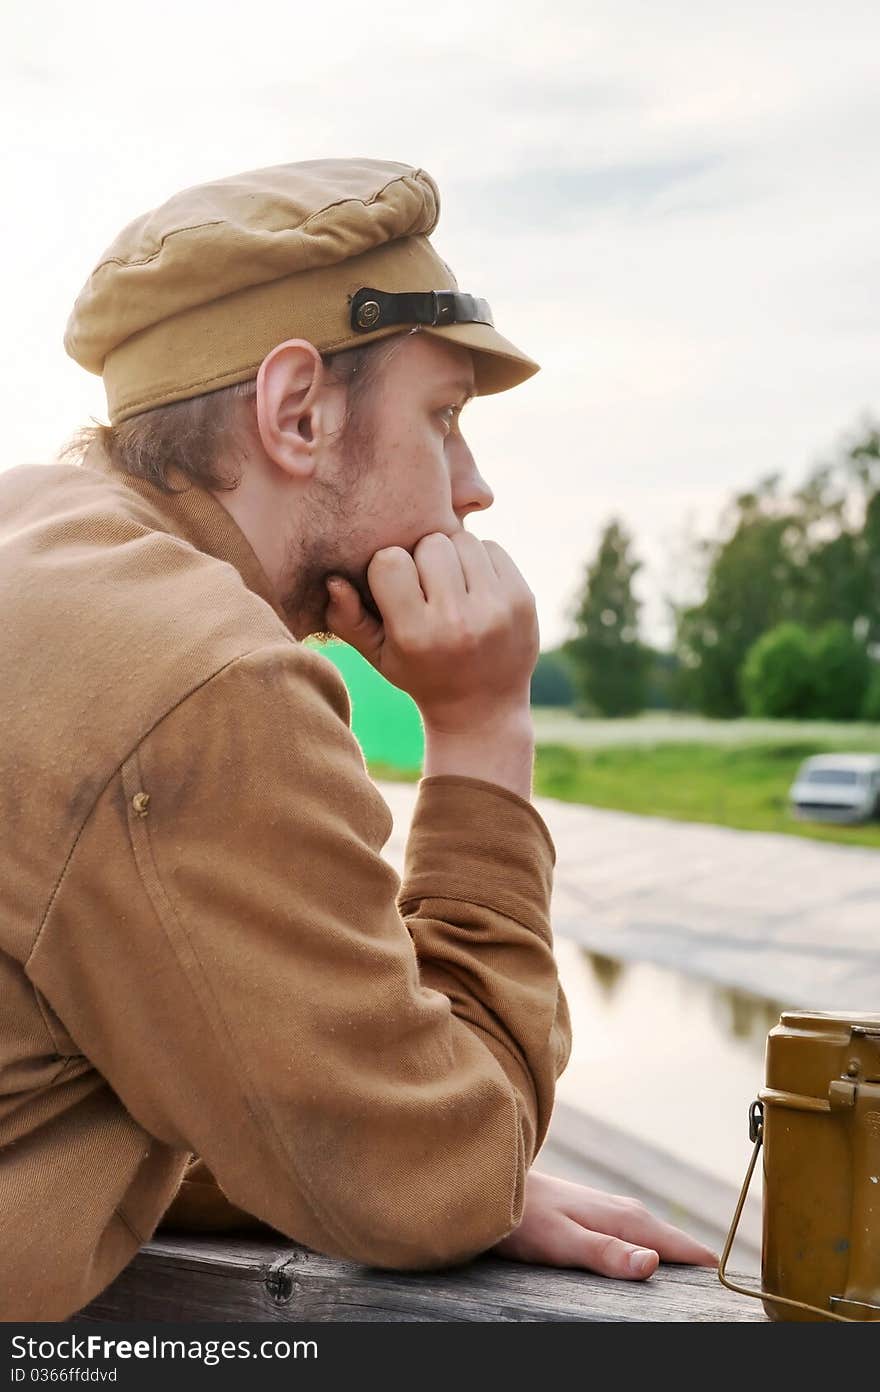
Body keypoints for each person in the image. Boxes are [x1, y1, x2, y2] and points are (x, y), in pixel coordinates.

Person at [0, 157, 715, 1322]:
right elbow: (436, 1182)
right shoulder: (196, 678)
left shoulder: (36, 541)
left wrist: (354, 1142)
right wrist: (482, 730)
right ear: (297, 414)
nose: (474, 489)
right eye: (443, 419)